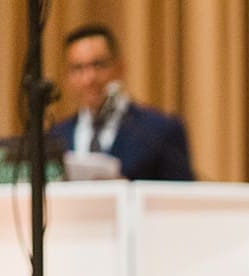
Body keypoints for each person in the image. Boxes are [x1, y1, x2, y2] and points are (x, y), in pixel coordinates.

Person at [51, 24, 195, 181]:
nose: (89, 78)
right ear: (67, 77)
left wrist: (128, 191)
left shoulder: (159, 131)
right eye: (78, 68)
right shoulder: (54, 137)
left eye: (98, 65)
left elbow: (181, 196)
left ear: (120, 68)